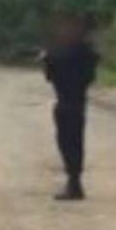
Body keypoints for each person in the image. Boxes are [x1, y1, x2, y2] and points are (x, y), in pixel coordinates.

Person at [43, 13, 99, 201]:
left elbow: (50, 76)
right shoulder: (86, 53)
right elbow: (90, 76)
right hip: (77, 102)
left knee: (68, 142)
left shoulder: (63, 53)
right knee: (73, 141)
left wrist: (48, 59)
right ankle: (74, 181)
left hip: (67, 102)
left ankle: (74, 182)